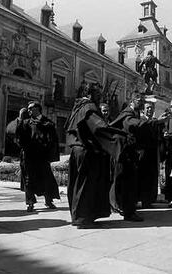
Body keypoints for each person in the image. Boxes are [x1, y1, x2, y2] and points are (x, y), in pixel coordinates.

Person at [65, 83, 129, 228]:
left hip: (76, 150)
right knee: (86, 186)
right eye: (98, 95)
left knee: (77, 185)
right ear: (89, 95)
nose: (100, 98)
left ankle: (79, 217)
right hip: (85, 151)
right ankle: (83, 219)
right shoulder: (89, 107)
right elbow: (99, 127)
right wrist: (120, 136)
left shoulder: (78, 107)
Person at [110, 91, 148, 221]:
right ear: (132, 101)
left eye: (143, 101)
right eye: (139, 101)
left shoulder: (135, 113)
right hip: (124, 154)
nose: (142, 103)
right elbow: (130, 124)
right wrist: (150, 123)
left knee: (126, 182)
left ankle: (124, 208)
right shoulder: (128, 114)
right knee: (127, 183)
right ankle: (128, 212)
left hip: (129, 153)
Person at [16, 101, 60, 212]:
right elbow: (17, 135)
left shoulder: (47, 123)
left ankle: (48, 200)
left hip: (42, 157)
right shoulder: (26, 122)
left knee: (46, 178)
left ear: (37, 109)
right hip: (29, 157)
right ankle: (30, 203)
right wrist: (20, 118)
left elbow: (53, 140)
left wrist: (47, 152)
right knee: (28, 180)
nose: (28, 110)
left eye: (31, 108)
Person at [137, 101, 161, 208]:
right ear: (143, 110)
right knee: (143, 176)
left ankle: (149, 200)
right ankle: (141, 199)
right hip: (143, 152)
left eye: (151, 108)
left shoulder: (156, 122)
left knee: (152, 176)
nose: (150, 110)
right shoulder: (140, 121)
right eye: (147, 108)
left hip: (153, 152)